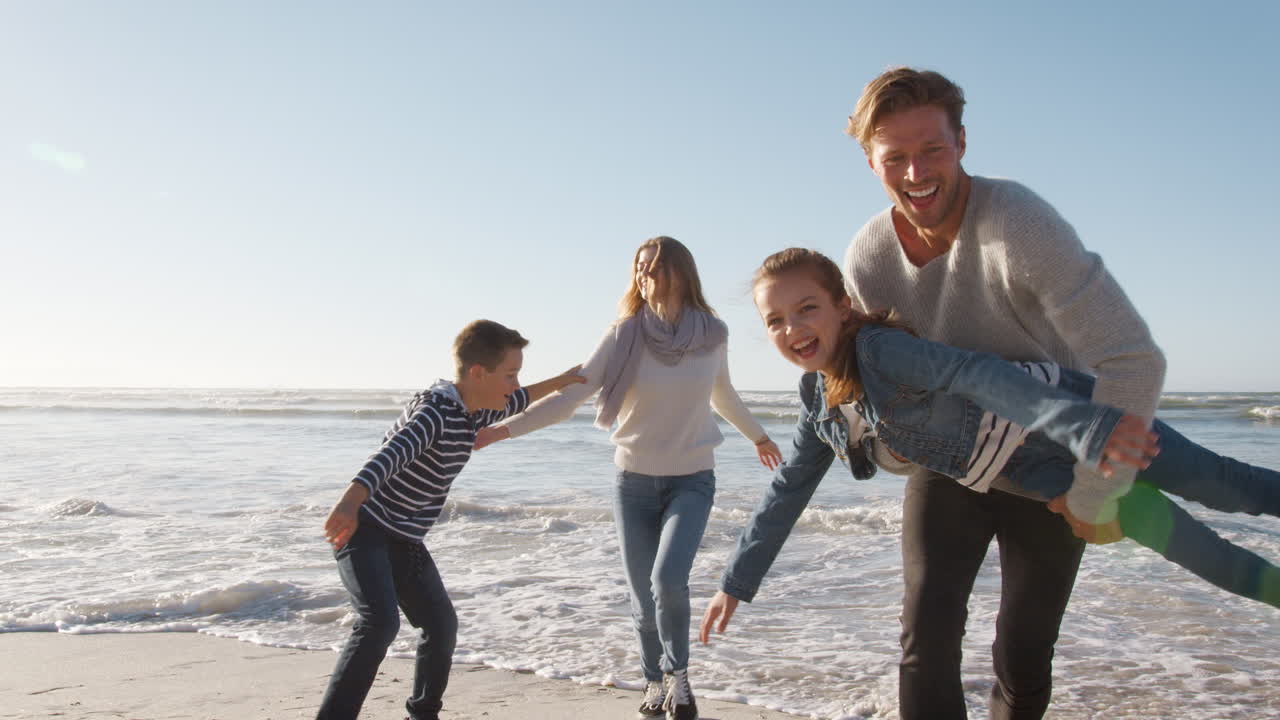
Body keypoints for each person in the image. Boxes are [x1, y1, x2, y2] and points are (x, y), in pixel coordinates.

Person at [698, 250, 1280, 682]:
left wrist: (1092, 425)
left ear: (842, 308)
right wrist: (736, 582)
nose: (793, 328)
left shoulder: (881, 350)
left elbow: (978, 374)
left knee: (1231, 486)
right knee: (1189, 545)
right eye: (775, 321)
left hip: (1079, 418)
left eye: (807, 309)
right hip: (1041, 477)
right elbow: (787, 491)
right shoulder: (818, 402)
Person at [847, 67, 1167, 718]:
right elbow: (878, 380)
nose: (916, 173)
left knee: (1023, 648)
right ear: (869, 160)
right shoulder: (869, 259)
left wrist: (1095, 490)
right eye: (895, 157)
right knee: (925, 636)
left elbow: (1133, 359)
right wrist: (890, 445)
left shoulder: (1018, 223)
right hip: (952, 460)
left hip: (1049, 460)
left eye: (932, 149)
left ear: (962, 142)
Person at [477, 236, 783, 720]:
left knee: (667, 581)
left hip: (692, 480)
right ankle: (653, 680)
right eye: (640, 269)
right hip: (633, 483)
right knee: (643, 600)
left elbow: (721, 393)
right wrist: (501, 431)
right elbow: (569, 398)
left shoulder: (713, 333)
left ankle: (680, 678)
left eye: (655, 268)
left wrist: (759, 437)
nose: (646, 277)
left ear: (681, 273)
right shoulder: (624, 335)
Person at [316, 319, 586, 720]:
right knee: (379, 624)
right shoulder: (436, 411)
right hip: (366, 528)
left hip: (404, 539)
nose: (514, 383)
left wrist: (564, 380)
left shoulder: (475, 408)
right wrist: (349, 502)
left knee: (440, 626)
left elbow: (521, 399)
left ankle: (423, 714)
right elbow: (391, 454)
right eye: (509, 374)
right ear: (478, 372)